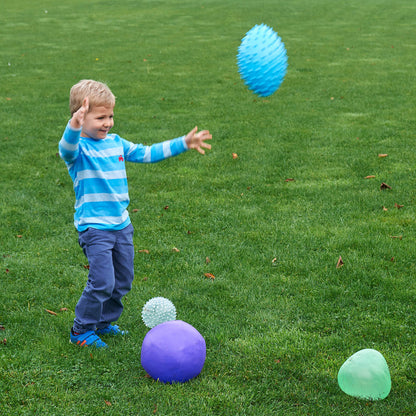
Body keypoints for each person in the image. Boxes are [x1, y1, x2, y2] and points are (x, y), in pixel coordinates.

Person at [59, 79, 212, 348]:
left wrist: (183, 143)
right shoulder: (79, 151)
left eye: (110, 116)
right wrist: (73, 126)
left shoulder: (116, 143)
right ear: (80, 117)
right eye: (100, 117)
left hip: (122, 225)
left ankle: (103, 323)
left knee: (122, 281)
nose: (108, 123)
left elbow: (147, 153)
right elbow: (66, 148)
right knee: (102, 281)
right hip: (95, 229)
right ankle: (81, 329)